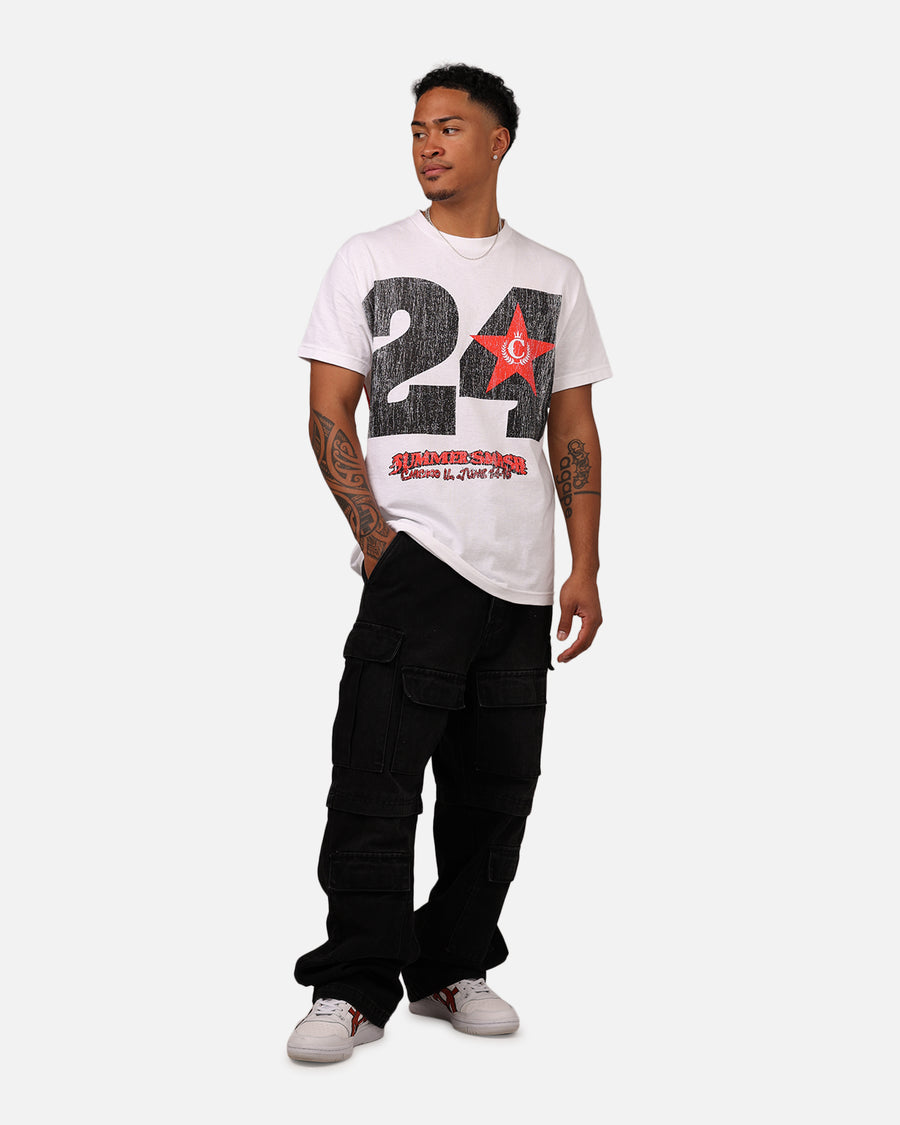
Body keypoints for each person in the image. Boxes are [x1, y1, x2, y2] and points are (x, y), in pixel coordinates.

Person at [287, 63, 613, 1064]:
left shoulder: (553, 275)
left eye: (450, 127)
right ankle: (351, 987)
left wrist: (585, 566)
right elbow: (328, 409)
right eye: (418, 129)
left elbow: (573, 428)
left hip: (521, 580)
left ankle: (450, 968)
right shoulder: (370, 256)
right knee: (374, 789)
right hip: (415, 568)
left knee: (495, 797)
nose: (428, 144)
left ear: (499, 140)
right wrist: (379, 543)